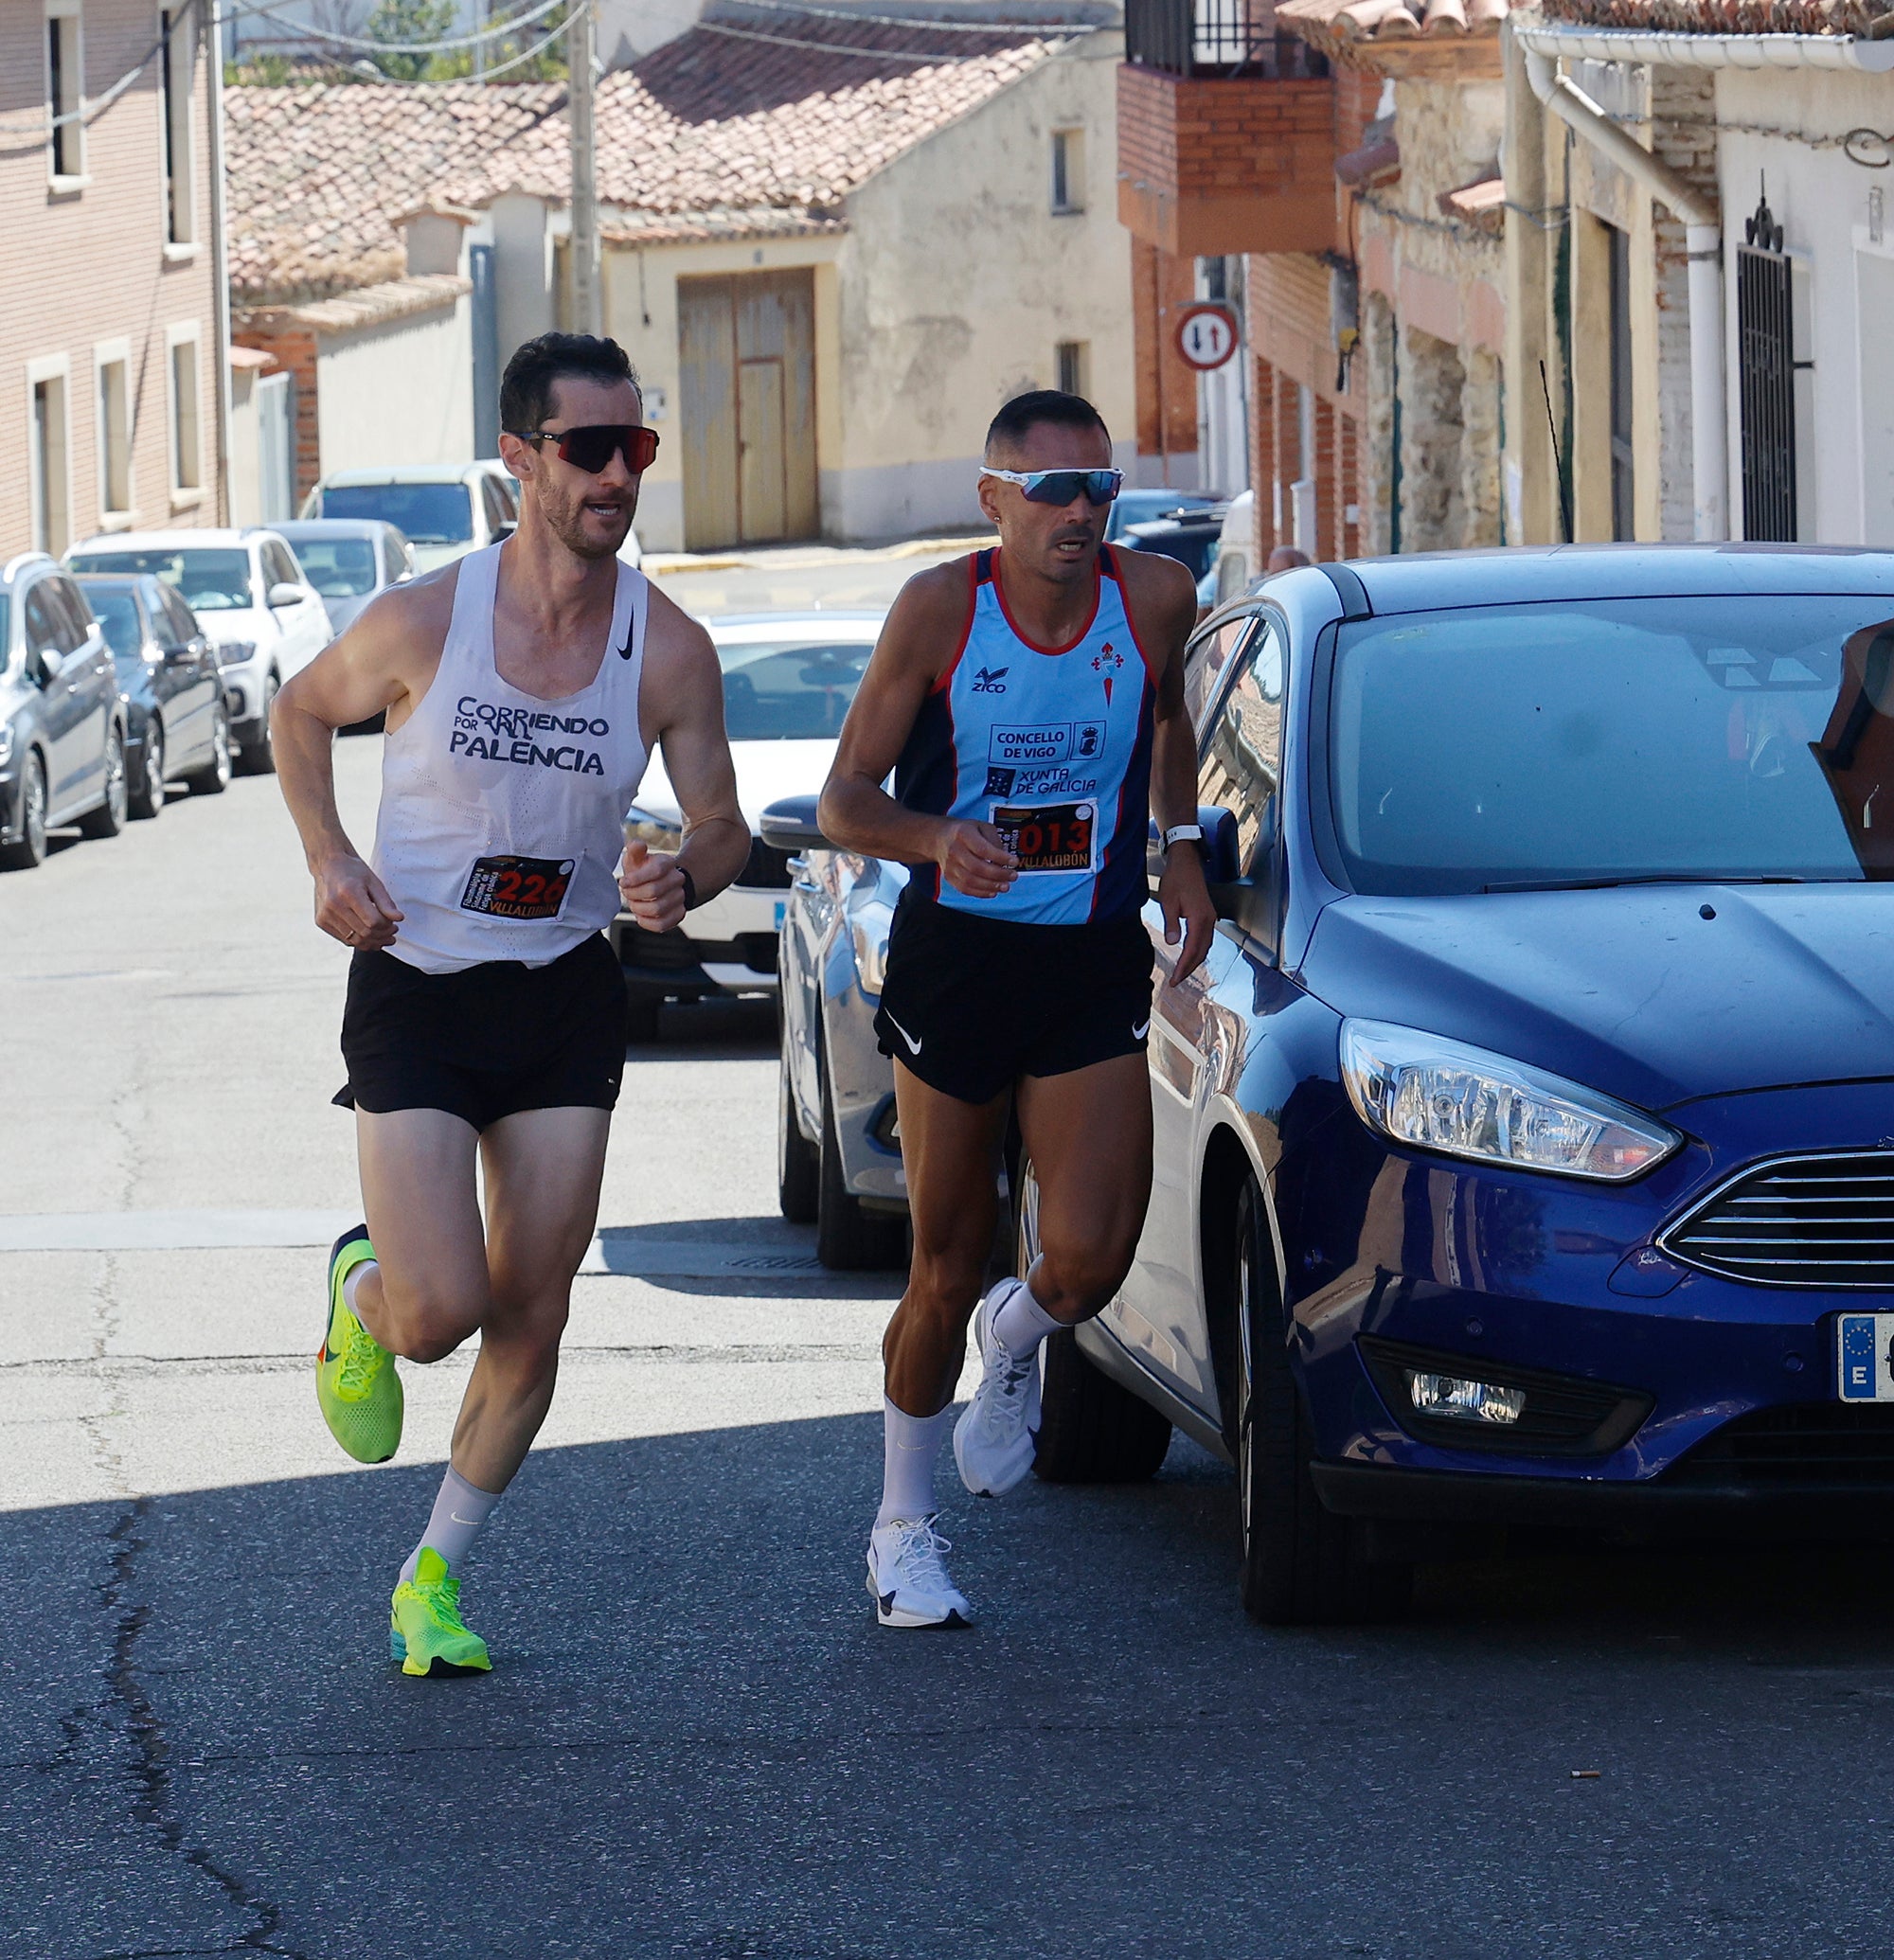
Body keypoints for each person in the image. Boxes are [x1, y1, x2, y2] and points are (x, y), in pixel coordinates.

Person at [273, 332, 748, 1675]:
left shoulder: (670, 651)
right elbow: (299, 715)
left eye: (635, 448)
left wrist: (679, 881)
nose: (616, 474)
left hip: (562, 993)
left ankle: (432, 1577)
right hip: (417, 984)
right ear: (521, 459)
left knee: (532, 1313)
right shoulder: (425, 619)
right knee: (440, 1314)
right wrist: (329, 858)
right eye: (588, 448)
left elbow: (716, 827)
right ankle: (364, 1286)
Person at [819, 390, 1215, 1628]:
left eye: (1102, 489)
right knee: (941, 1259)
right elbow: (843, 800)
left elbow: (1167, 724)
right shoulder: (943, 613)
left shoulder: (1153, 597)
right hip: (961, 961)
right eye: (1054, 492)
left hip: (1089, 949)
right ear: (994, 500)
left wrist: (1185, 843)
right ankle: (902, 1529)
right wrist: (937, 836)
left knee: (1092, 1253)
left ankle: (1025, 1325)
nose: (1083, 514)